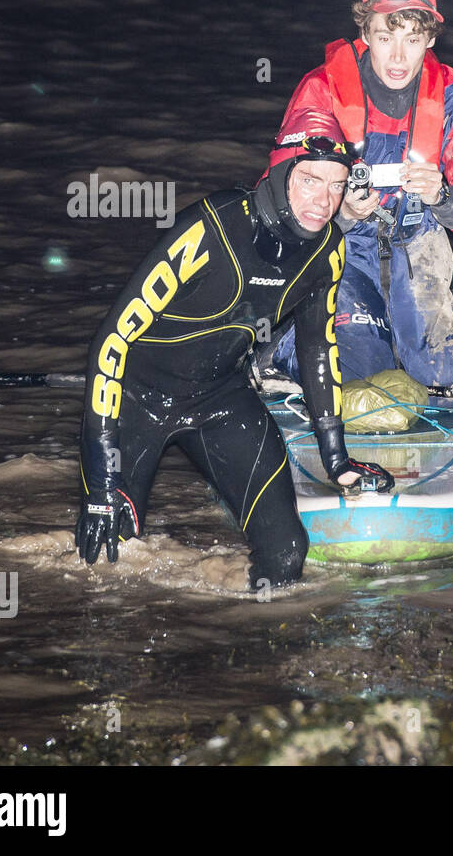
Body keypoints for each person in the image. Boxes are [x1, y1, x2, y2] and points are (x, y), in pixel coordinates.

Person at [74, 135, 394, 591]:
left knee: (286, 558)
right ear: (282, 176)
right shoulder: (213, 225)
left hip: (219, 397)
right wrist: (105, 485)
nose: (324, 201)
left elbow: (318, 349)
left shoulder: (328, 250)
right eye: (310, 181)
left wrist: (337, 458)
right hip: (134, 400)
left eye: (338, 186)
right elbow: (111, 342)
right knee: (108, 566)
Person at [262, 0, 453, 406]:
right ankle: (286, 342)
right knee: (356, 374)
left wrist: (443, 196)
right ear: (364, 32)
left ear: (431, 40)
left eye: (413, 40)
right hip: (341, 246)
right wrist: (339, 211)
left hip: (419, 245)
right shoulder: (321, 92)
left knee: (441, 377)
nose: (398, 56)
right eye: (385, 38)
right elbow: (281, 195)